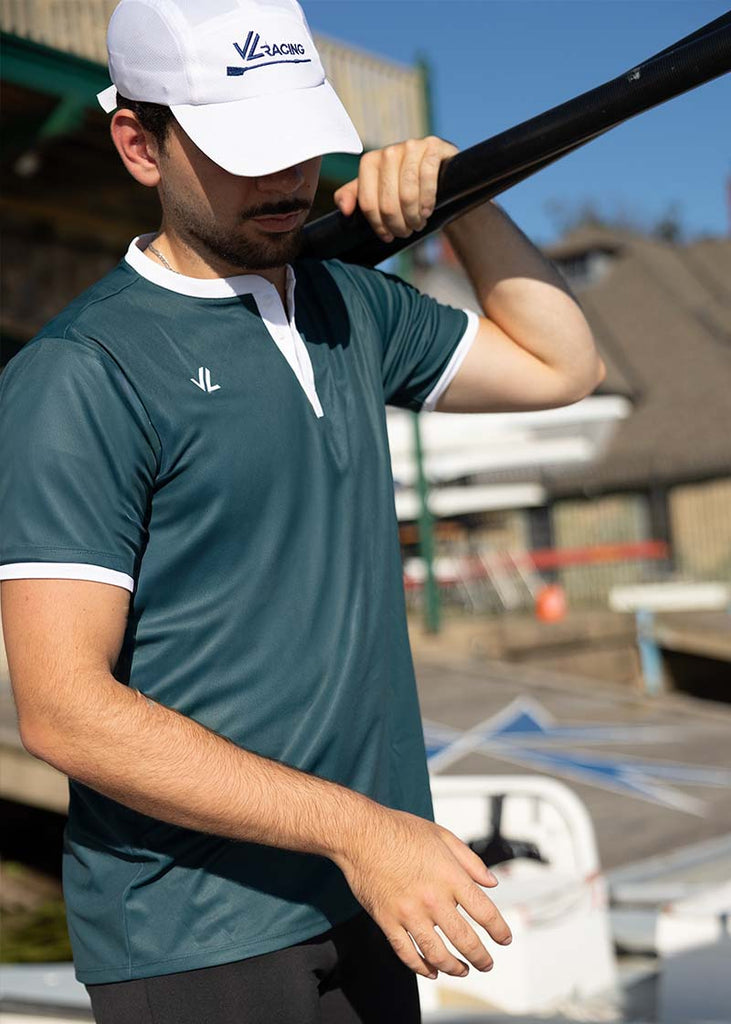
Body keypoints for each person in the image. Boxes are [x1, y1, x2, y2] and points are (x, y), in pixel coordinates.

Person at [0, 1, 605, 1021]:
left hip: (371, 891)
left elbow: (563, 366)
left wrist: (461, 194)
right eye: (246, 150)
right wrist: (360, 831)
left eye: (298, 141)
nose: (287, 180)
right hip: (199, 930)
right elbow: (64, 711)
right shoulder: (81, 372)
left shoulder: (347, 306)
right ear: (139, 145)